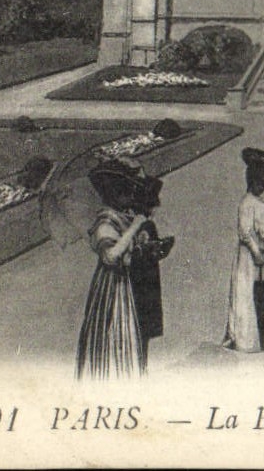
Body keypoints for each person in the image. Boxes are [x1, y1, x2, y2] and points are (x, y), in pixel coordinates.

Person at [75, 158, 151, 378]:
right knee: (111, 331)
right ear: (115, 194)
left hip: (122, 284)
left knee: (125, 330)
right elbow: (110, 256)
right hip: (110, 287)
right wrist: (135, 227)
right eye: (126, 193)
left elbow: (126, 248)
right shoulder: (105, 223)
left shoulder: (119, 217)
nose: (130, 199)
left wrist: (141, 240)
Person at [223, 148, 264, 352]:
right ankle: (247, 340)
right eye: (259, 183)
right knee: (247, 293)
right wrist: (256, 253)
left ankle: (263, 339)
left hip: (262, 254)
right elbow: (245, 233)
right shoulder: (246, 203)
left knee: (262, 294)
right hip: (249, 257)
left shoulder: (261, 202)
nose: (262, 187)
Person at [126, 175, 174, 370]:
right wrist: (164, 247)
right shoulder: (147, 226)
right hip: (147, 281)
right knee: (143, 327)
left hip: (136, 279)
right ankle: (141, 366)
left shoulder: (131, 222)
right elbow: (154, 252)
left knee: (137, 326)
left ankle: (139, 365)